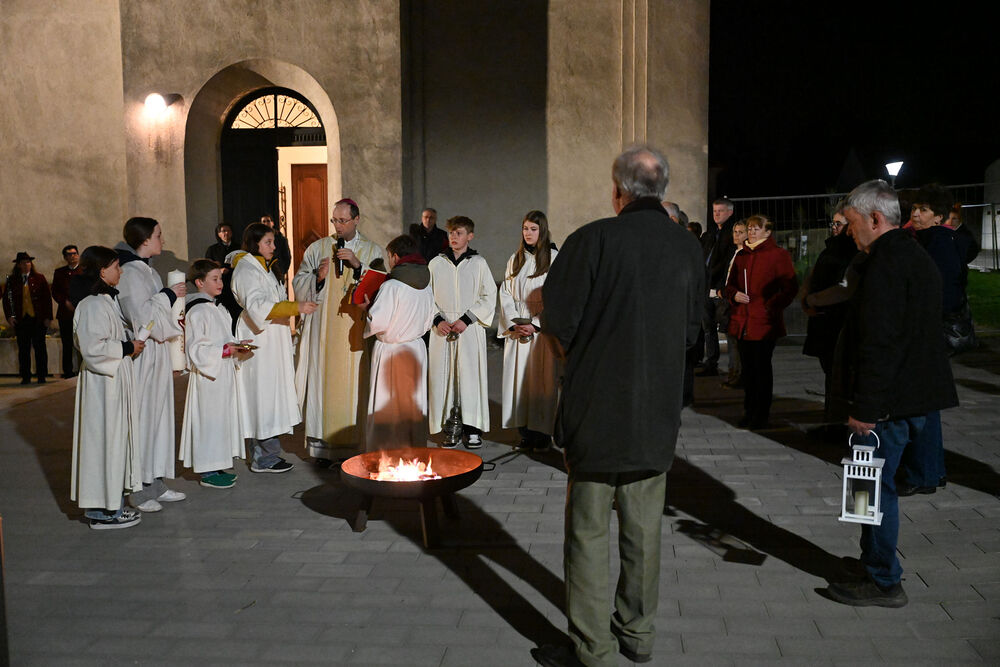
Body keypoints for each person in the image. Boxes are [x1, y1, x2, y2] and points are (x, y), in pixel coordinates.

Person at [534, 145, 704, 667]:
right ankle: (637, 634)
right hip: (655, 411)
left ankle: (593, 648)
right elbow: (693, 334)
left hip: (596, 410)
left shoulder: (592, 240)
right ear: (663, 190)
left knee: (588, 532)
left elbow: (557, 322)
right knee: (644, 530)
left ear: (618, 192)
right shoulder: (686, 247)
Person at [826, 179, 958, 607]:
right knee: (869, 487)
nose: (849, 232)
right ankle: (872, 562)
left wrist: (865, 407)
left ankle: (883, 578)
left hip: (885, 405)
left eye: (851, 223)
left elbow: (880, 343)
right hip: (908, 396)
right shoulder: (910, 254)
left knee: (871, 489)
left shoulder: (886, 264)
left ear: (875, 218)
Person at [293, 198, 387, 461]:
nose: (338, 226)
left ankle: (354, 448)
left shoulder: (372, 250)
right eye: (334, 220)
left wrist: (358, 265)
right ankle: (322, 449)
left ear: (356, 220)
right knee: (323, 383)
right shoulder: (318, 248)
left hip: (356, 330)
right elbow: (299, 282)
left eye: (343, 221)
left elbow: (383, 286)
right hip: (323, 329)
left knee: (355, 386)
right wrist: (317, 278)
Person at [114, 217, 187, 512]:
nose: (162, 240)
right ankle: (138, 490)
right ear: (144, 239)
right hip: (142, 356)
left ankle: (155, 482)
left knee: (160, 418)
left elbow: (160, 312)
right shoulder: (130, 273)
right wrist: (168, 295)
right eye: (158, 235)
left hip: (157, 353)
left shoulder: (149, 270)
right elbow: (142, 318)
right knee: (144, 420)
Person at [71, 245, 145, 529]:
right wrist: (126, 347)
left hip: (113, 383)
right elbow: (92, 348)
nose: (121, 271)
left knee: (114, 443)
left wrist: (129, 344)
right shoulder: (92, 305)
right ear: (102, 272)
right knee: (104, 444)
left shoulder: (105, 302)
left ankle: (113, 505)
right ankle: (103, 512)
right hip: (103, 388)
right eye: (116, 267)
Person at [233, 223, 317, 473]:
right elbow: (257, 306)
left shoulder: (265, 268)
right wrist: (296, 307)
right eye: (268, 242)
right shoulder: (247, 270)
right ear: (255, 243)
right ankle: (263, 457)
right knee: (263, 396)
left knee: (272, 395)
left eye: (273, 241)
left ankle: (268, 454)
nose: (273, 246)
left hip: (272, 340)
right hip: (260, 340)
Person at [427, 215, 497, 449]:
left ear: (470, 236)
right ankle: (449, 427)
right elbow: (426, 295)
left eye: (459, 233)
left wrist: (467, 319)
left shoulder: (478, 263)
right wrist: (437, 320)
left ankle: (472, 428)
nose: (454, 237)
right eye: (451, 233)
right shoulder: (436, 263)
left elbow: (489, 295)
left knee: (470, 377)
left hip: (469, 330)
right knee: (443, 378)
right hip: (442, 330)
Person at [725, 214, 798, 430]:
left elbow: (790, 287)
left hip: (764, 322)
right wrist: (734, 295)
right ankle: (749, 411)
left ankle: (761, 414)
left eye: (756, 229)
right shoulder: (742, 255)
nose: (751, 232)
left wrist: (770, 306)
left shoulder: (778, 255)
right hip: (743, 321)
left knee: (761, 369)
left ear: (767, 232)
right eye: (749, 228)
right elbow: (729, 285)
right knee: (748, 370)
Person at [178, 259, 247, 488]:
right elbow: (196, 349)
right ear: (199, 282)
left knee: (219, 421)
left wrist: (237, 345)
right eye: (214, 279)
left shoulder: (217, 308)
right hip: (208, 377)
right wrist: (225, 350)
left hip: (222, 373)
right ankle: (207, 472)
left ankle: (217, 465)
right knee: (208, 422)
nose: (220, 283)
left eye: (220, 278)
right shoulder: (198, 310)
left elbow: (223, 339)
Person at [363, 234, 435, 450]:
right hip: (416, 348)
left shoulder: (392, 286)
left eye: (389, 257)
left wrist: (366, 309)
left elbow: (378, 322)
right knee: (411, 404)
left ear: (395, 257)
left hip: (392, 351)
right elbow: (429, 318)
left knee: (389, 406)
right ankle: (414, 449)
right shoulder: (426, 283)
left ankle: (387, 454)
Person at [498, 210, 559, 452]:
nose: (528, 233)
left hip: (541, 332)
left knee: (541, 381)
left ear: (542, 230)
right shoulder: (516, 259)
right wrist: (514, 321)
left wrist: (535, 323)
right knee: (519, 381)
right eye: (525, 228)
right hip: (517, 329)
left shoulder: (553, 258)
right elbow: (505, 292)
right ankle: (524, 432)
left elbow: (558, 296)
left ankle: (542, 435)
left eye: (533, 229)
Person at [801, 206, 859, 428]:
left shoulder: (851, 250)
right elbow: (815, 273)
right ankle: (831, 419)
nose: (834, 227)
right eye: (832, 223)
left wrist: (814, 300)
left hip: (837, 319)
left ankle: (837, 422)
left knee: (839, 376)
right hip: (822, 317)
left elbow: (844, 287)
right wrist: (806, 297)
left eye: (839, 223)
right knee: (829, 373)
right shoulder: (831, 247)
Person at [699, 197, 737, 376]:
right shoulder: (711, 234)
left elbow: (726, 261)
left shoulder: (731, 235)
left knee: (727, 328)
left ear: (730, 212)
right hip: (707, 287)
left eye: (720, 211)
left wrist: (714, 277)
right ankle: (711, 363)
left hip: (720, 288)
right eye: (714, 211)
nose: (716, 214)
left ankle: (733, 367)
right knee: (708, 328)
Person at [3, 251, 53, 384]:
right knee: (23, 349)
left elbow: (47, 299)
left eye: (28, 262)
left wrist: (48, 317)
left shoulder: (39, 278)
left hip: (38, 318)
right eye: (23, 263)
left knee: (40, 348)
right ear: (18, 265)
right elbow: (7, 300)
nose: (26, 265)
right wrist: (10, 316)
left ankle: (41, 375)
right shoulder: (12, 280)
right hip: (21, 319)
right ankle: (26, 376)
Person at [721, 220, 749, 389]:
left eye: (740, 232)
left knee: (736, 343)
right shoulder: (734, 253)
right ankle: (733, 373)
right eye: (735, 232)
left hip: (737, 302)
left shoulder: (745, 254)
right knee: (731, 341)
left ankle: (738, 375)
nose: (737, 235)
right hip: (729, 299)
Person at [51, 244, 82, 378]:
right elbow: (55, 291)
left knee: (82, 343)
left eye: (75, 253)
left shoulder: (84, 270)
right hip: (65, 314)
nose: (73, 256)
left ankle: (82, 370)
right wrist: (64, 302)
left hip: (82, 312)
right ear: (65, 257)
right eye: (69, 254)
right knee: (67, 344)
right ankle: (68, 372)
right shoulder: (60, 272)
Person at [260, 214, 292, 280]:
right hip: (262, 274)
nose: (266, 223)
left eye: (268, 221)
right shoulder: (258, 239)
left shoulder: (281, 238)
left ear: (272, 223)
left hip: (278, 272)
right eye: (264, 221)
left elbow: (287, 257)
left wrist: (281, 271)